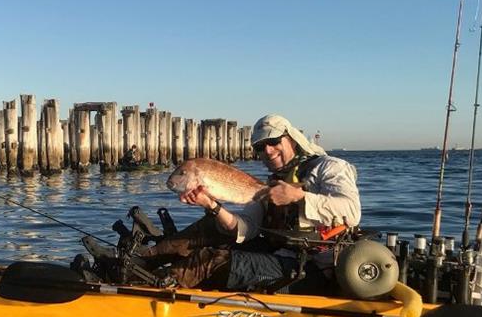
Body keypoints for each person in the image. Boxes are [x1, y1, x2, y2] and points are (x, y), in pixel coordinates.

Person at [139, 114, 361, 294]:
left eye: (273, 142)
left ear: (291, 139)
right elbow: (245, 228)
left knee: (210, 260)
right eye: (260, 147)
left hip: (313, 268)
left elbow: (352, 212)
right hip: (280, 255)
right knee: (208, 228)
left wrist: (299, 197)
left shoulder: (330, 167)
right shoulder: (270, 184)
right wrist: (211, 205)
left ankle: (150, 290)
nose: (268, 151)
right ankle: (141, 264)